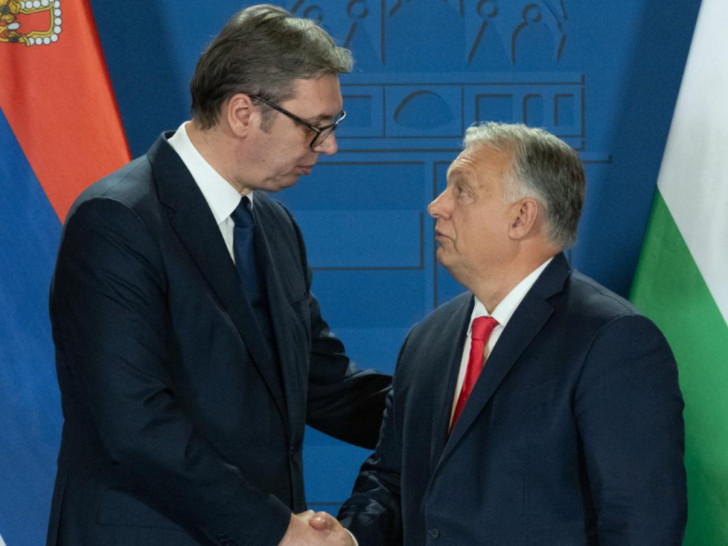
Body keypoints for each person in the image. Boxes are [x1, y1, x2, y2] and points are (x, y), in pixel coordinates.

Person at [47, 5, 390, 545]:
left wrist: (453, 409)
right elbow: (135, 423)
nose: (329, 146)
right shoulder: (117, 220)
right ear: (242, 113)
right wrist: (275, 529)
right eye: (315, 127)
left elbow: (323, 386)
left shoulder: (274, 227)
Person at [338, 122, 687, 545]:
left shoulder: (613, 341)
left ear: (521, 217)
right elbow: (391, 480)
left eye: (462, 191)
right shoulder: (426, 340)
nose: (436, 206)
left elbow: (641, 523)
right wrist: (347, 537)